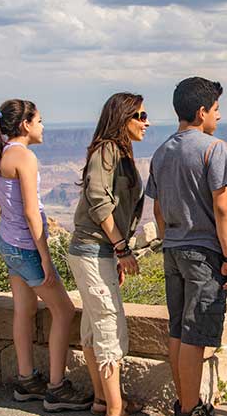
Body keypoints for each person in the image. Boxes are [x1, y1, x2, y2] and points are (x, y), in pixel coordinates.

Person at [0, 99, 93, 412]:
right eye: (40, 120)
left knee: (24, 309)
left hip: (8, 243)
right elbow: (32, 212)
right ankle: (56, 388)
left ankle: (26, 380)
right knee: (64, 310)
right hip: (27, 247)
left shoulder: (3, 154)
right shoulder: (25, 157)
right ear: (25, 124)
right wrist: (45, 256)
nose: (43, 126)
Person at [145, 77, 227, 416]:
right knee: (196, 335)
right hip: (203, 253)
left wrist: (169, 237)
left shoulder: (161, 151)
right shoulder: (213, 148)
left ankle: (184, 401)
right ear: (201, 112)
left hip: (172, 249)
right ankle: (190, 409)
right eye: (215, 110)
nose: (218, 116)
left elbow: (156, 208)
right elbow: (223, 206)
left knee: (178, 330)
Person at [67, 92, 149, 416]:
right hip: (93, 249)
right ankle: (115, 409)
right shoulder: (108, 150)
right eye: (140, 116)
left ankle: (103, 401)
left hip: (95, 251)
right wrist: (121, 249)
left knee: (92, 326)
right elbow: (99, 198)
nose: (146, 122)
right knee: (109, 328)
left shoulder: (117, 152)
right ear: (123, 118)